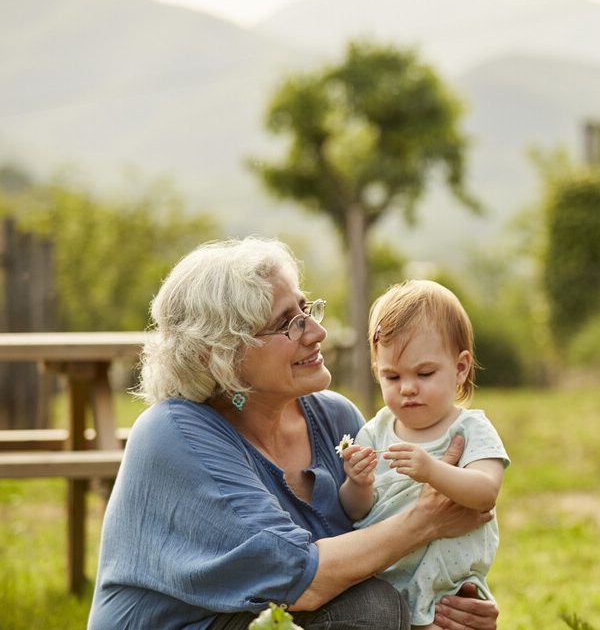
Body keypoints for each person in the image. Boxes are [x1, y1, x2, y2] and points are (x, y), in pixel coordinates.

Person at [88, 238, 499, 630]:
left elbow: (378, 542)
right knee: (369, 610)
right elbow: (301, 579)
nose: (317, 333)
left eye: (307, 310)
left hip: (279, 619)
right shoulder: (173, 434)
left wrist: (451, 601)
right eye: (288, 324)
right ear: (219, 356)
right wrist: (425, 521)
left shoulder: (336, 418)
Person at [339, 280, 509, 629]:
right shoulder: (375, 431)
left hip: (449, 586)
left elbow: (485, 492)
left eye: (425, 373)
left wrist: (432, 470)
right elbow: (357, 512)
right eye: (392, 376)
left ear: (460, 368)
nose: (408, 387)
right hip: (389, 584)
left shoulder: (470, 430)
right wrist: (357, 482)